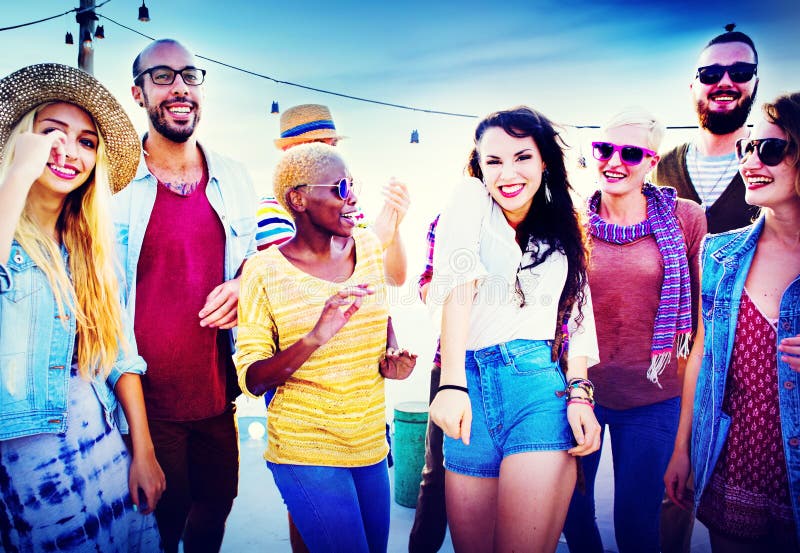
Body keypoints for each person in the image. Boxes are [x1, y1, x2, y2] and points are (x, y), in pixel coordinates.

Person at [0, 63, 164, 551]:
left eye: (86, 142)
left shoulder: (92, 246)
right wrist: (17, 176)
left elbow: (118, 352)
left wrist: (143, 449)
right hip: (25, 458)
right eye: (52, 133)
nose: (69, 151)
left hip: (102, 437)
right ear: (24, 140)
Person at [426, 106, 601, 553]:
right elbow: (456, 284)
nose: (508, 173)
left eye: (522, 157)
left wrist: (581, 393)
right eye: (494, 161)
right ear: (478, 166)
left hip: (538, 387)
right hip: (470, 387)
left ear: (544, 161)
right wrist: (451, 384)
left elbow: (578, 314)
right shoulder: (469, 202)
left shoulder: (563, 226)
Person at [234, 142, 417, 553]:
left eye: (353, 185)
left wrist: (392, 354)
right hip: (306, 445)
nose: (351, 197)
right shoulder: (264, 272)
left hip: (369, 441)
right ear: (298, 199)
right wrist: (316, 336)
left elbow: (381, 311)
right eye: (339, 187)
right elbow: (252, 378)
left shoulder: (368, 247)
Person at [112, 39, 257, 553]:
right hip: (144, 401)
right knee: (159, 527)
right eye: (163, 76)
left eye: (190, 76)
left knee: (216, 508)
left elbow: (264, 259)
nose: (179, 88)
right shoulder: (111, 185)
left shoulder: (235, 176)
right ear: (138, 92)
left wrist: (246, 282)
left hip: (219, 394)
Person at [561, 109, 706, 553]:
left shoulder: (687, 218)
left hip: (655, 398)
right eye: (604, 149)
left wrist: (686, 433)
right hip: (578, 392)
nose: (614, 161)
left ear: (651, 161)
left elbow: (701, 323)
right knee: (573, 513)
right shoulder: (571, 220)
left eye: (630, 152)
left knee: (636, 523)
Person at [664, 92, 800, 552]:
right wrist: (683, 448)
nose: (751, 162)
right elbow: (700, 354)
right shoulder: (719, 253)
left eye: (772, 149)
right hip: (733, 459)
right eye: (748, 148)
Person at [256, 103, 409, 286]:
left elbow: (394, 278)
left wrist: (393, 226)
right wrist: (375, 241)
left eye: (333, 144)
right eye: (318, 144)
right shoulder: (271, 210)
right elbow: (299, 284)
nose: (330, 152)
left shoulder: (347, 208)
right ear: (288, 152)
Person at [653, 24, 759, 234]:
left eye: (741, 72)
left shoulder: (778, 163)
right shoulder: (661, 167)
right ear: (692, 88)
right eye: (711, 74)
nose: (725, 82)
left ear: (755, 83)